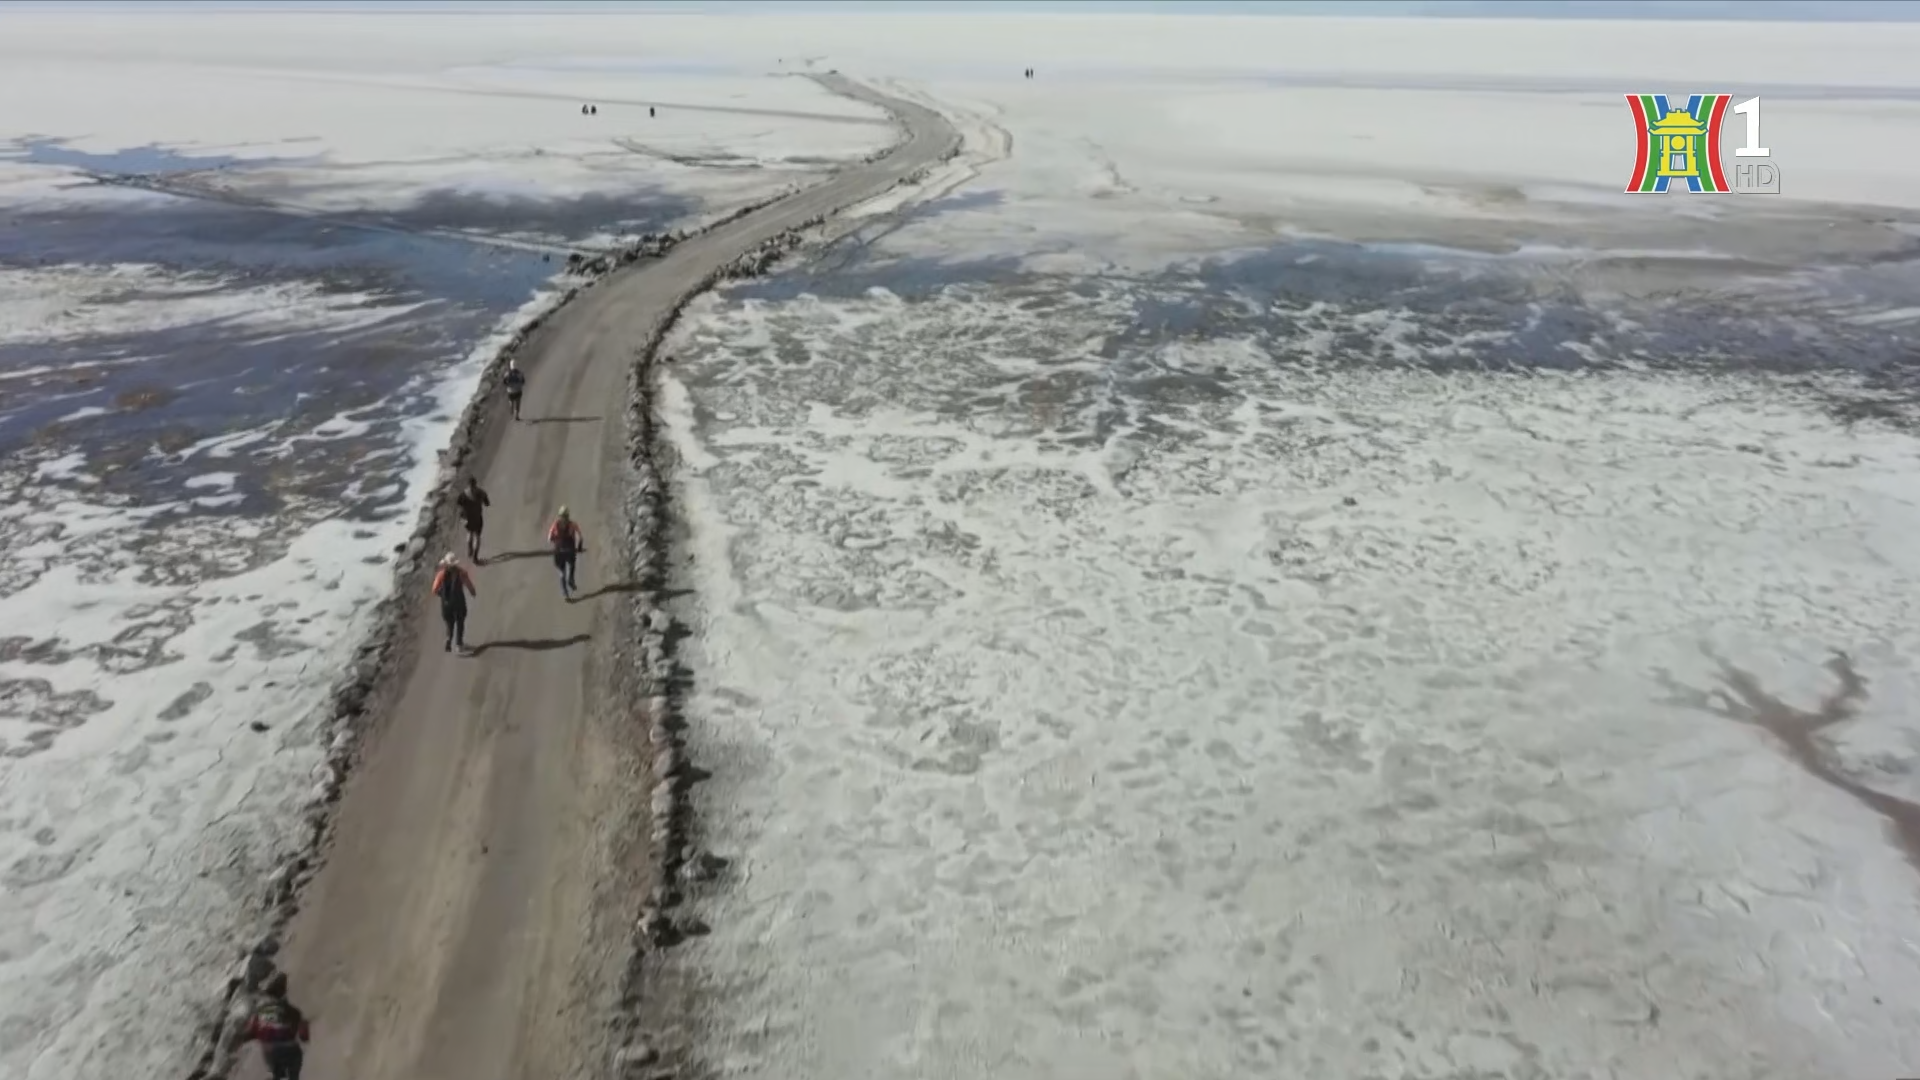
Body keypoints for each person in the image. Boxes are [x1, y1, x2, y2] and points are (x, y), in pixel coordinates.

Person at [240, 972, 310, 1080]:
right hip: (290, 1050)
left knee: (275, 1067)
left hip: (271, 1053)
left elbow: (248, 1034)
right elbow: (304, 1036)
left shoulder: (258, 1013)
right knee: (294, 1065)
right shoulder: (291, 1011)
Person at [431, 552, 477, 652]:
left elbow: (434, 590)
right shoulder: (461, 572)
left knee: (449, 624)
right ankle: (459, 644)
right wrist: (473, 592)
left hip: (446, 604)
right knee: (460, 622)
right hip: (458, 602)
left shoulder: (441, 574)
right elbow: (469, 585)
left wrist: (443, 595)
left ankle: (448, 638)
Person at [547, 506, 584, 600]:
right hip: (566, 552)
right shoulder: (572, 525)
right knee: (569, 568)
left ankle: (566, 588)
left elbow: (549, 538)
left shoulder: (556, 525)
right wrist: (579, 546)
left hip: (561, 552)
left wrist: (555, 539)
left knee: (565, 570)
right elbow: (580, 537)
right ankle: (569, 584)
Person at [455, 477, 490, 561]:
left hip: (467, 519)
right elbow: (487, 503)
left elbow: (458, 505)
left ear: (468, 484)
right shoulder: (481, 492)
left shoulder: (462, 495)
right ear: (475, 484)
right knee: (477, 537)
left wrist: (462, 515)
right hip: (477, 518)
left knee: (469, 533)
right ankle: (475, 557)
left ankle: (469, 549)